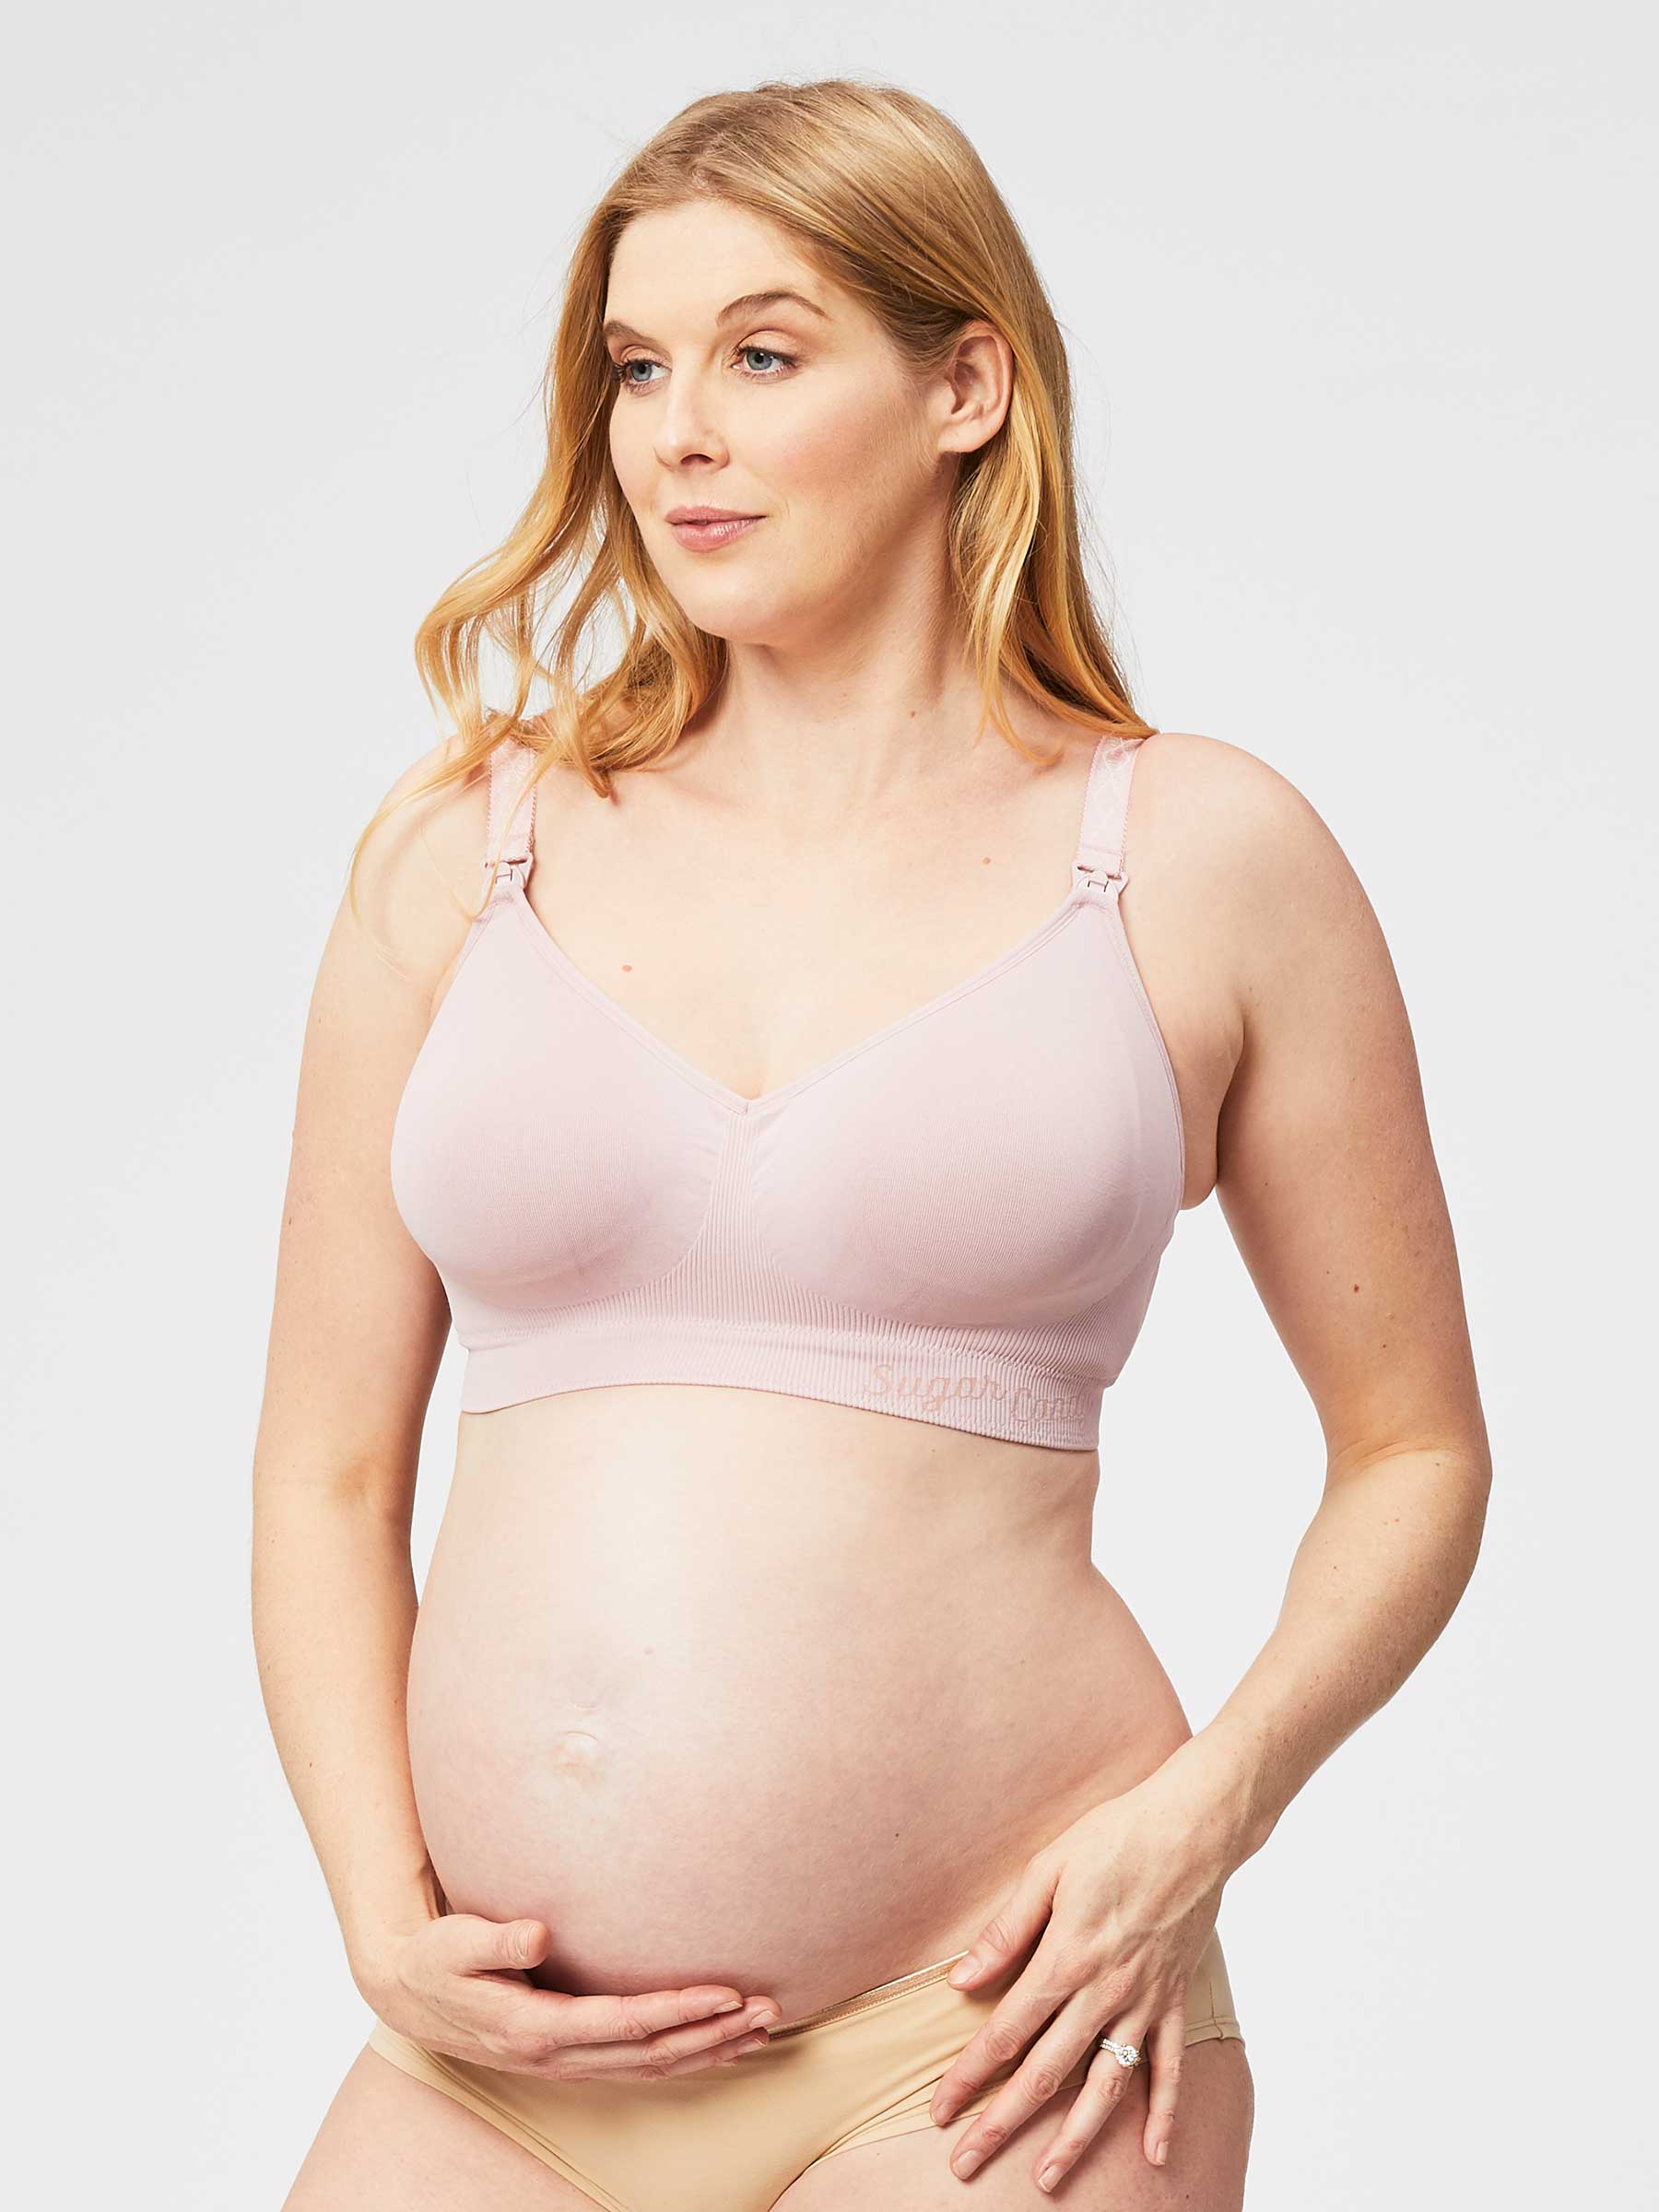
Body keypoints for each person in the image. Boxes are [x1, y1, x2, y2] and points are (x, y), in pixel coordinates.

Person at [255, 77, 1491, 2212]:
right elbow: (326, 1471)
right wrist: (379, 1907)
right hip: (492, 2065)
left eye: (762, 353)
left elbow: (1416, 1452)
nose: (676, 435)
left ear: (963, 389)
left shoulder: (1196, 856)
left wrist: (1205, 1816)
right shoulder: (466, 849)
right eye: (636, 367)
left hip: (992, 2036)